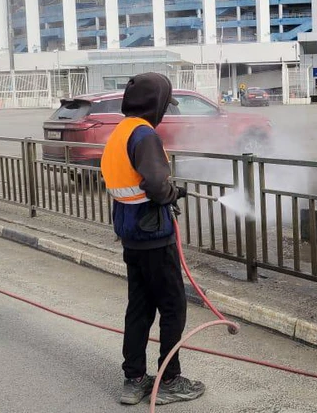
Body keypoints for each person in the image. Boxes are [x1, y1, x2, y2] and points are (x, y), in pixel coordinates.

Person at [100, 73, 205, 406]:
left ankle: (134, 380)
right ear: (155, 103)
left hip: (130, 234)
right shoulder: (145, 135)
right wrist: (172, 192)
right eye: (165, 105)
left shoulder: (121, 131)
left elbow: (132, 182)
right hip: (154, 238)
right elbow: (157, 186)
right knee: (173, 307)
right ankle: (170, 380)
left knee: (140, 308)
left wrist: (169, 191)